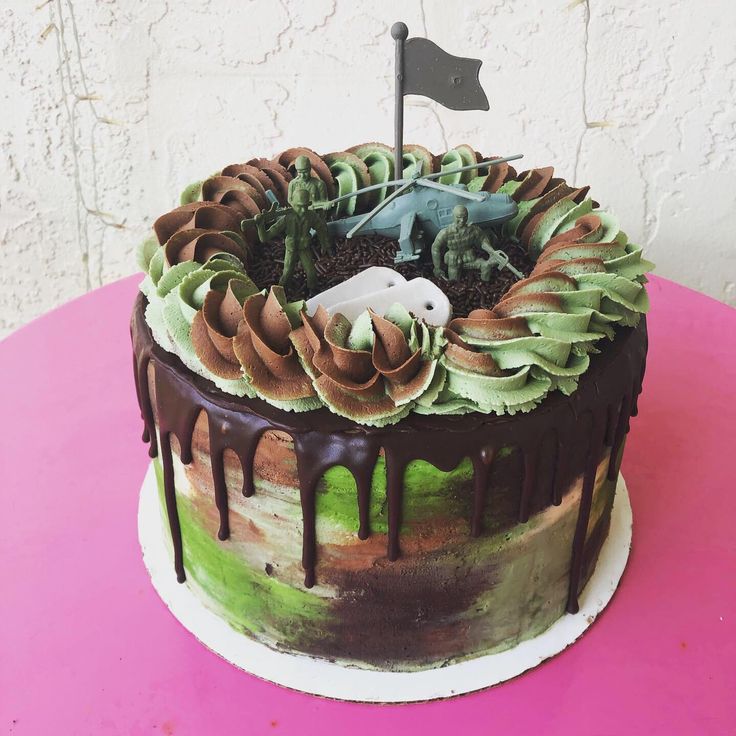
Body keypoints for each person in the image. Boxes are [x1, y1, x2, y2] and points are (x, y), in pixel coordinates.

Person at [254, 188, 331, 293]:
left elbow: (321, 228)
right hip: (291, 249)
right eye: (299, 206)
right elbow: (265, 238)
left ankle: (313, 292)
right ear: (292, 204)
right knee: (287, 273)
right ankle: (280, 292)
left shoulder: (311, 216)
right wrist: (260, 225)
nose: (303, 210)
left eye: (305, 206)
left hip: (304, 248)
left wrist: (324, 243)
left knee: (311, 273)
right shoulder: (286, 219)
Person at [431, 205, 495, 281]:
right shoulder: (445, 233)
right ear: (453, 216)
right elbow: (435, 248)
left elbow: (483, 239)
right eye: (459, 217)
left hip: (470, 258)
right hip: (454, 262)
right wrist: (437, 267)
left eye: (464, 217)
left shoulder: (473, 230)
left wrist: (491, 251)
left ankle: (486, 286)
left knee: (486, 266)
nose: (462, 220)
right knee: (453, 282)